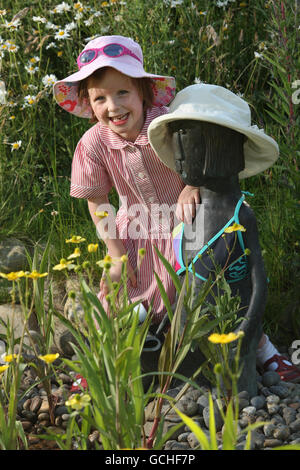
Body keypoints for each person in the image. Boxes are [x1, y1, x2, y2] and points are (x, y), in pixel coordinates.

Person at [53, 35, 200, 390]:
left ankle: (256, 348)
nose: (113, 107)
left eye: (122, 93)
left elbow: (203, 160)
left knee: (201, 289)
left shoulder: (168, 125)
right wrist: (115, 253)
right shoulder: (93, 143)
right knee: (122, 295)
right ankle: (106, 360)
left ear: (143, 94)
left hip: (184, 224)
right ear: (88, 103)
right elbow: (98, 200)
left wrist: (193, 185)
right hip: (133, 231)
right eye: (99, 98)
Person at [148, 83, 300, 385]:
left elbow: (257, 281)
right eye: (179, 138)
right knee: (182, 378)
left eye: (192, 139)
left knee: (235, 382)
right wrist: (172, 321)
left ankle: (260, 351)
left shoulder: (240, 216)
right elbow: (187, 278)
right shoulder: (191, 211)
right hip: (192, 329)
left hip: (234, 329)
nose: (181, 151)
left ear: (230, 149)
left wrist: (248, 327)